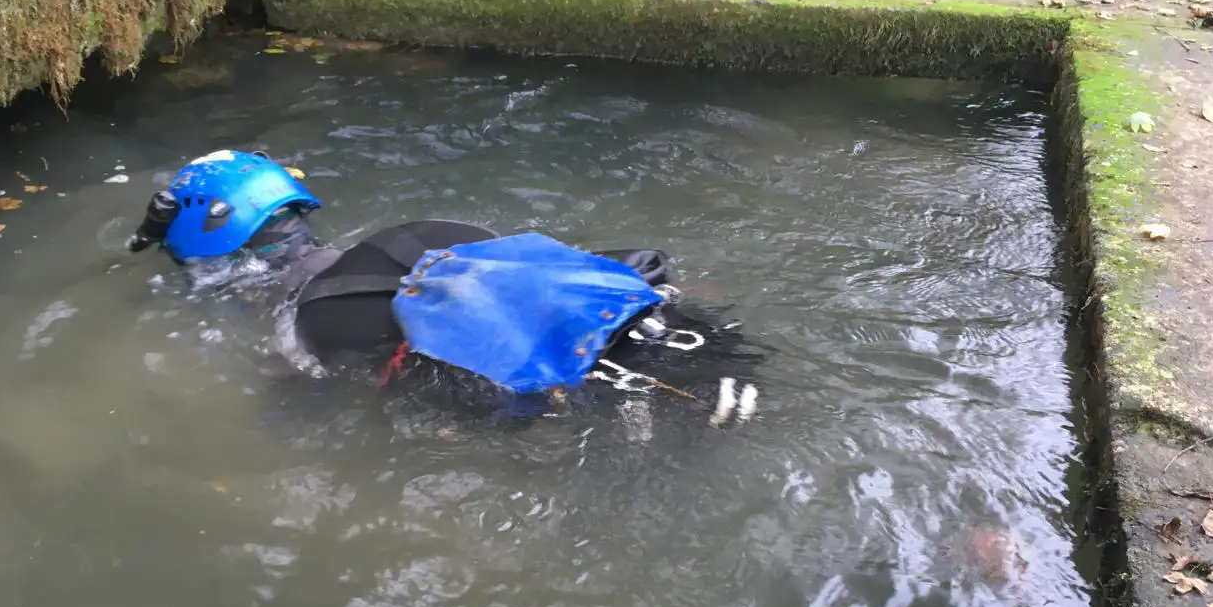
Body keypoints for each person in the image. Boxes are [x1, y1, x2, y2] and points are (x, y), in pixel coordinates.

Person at [126, 149, 761, 422]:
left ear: (209, 257)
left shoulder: (297, 329)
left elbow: (302, 423)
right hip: (665, 332)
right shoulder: (427, 232)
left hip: (549, 407)